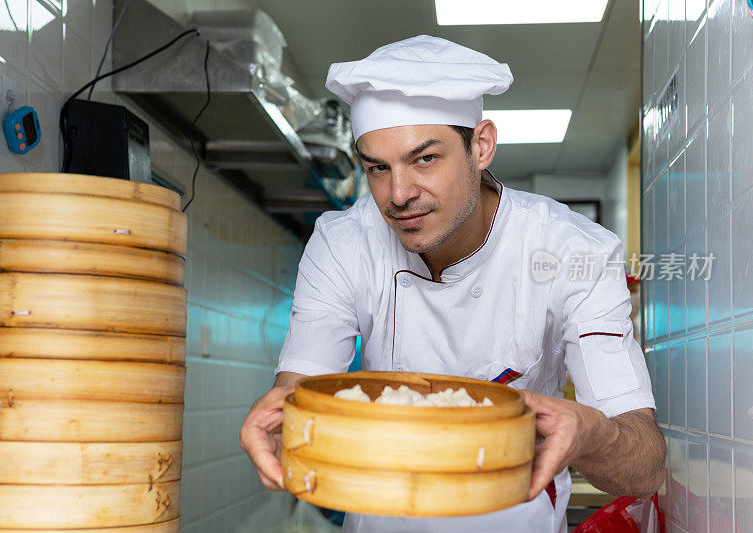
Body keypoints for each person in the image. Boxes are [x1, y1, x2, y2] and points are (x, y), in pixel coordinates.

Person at [240, 35, 665, 533]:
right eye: (378, 167)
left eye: (424, 160)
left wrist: (592, 434)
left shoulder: (575, 252)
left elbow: (646, 466)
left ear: (481, 146)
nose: (398, 195)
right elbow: (299, 396)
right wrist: (282, 420)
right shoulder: (342, 244)